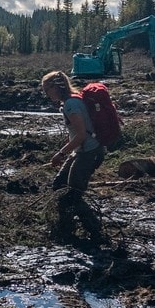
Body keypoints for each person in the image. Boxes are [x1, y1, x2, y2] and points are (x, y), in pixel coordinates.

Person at [40, 70, 106, 244]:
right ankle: (65, 227)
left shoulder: (71, 105)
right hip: (82, 151)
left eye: (47, 90)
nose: (47, 94)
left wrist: (61, 153)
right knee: (59, 185)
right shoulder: (72, 101)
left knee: (73, 193)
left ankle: (96, 233)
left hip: (89, 152)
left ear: (56, 87)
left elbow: (82, 135)